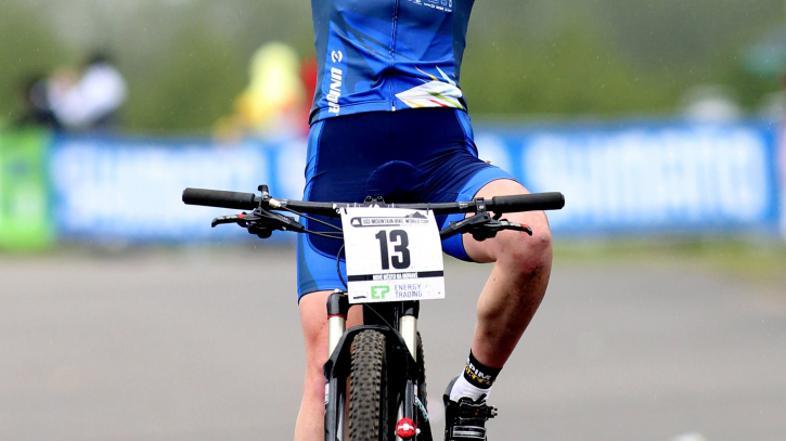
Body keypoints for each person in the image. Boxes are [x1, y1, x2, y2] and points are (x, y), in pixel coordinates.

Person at [295, 2, 553, 440]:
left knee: (531, 238)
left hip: (441, 163)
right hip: (342, 166)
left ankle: (470, 395)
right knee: (325, 366)